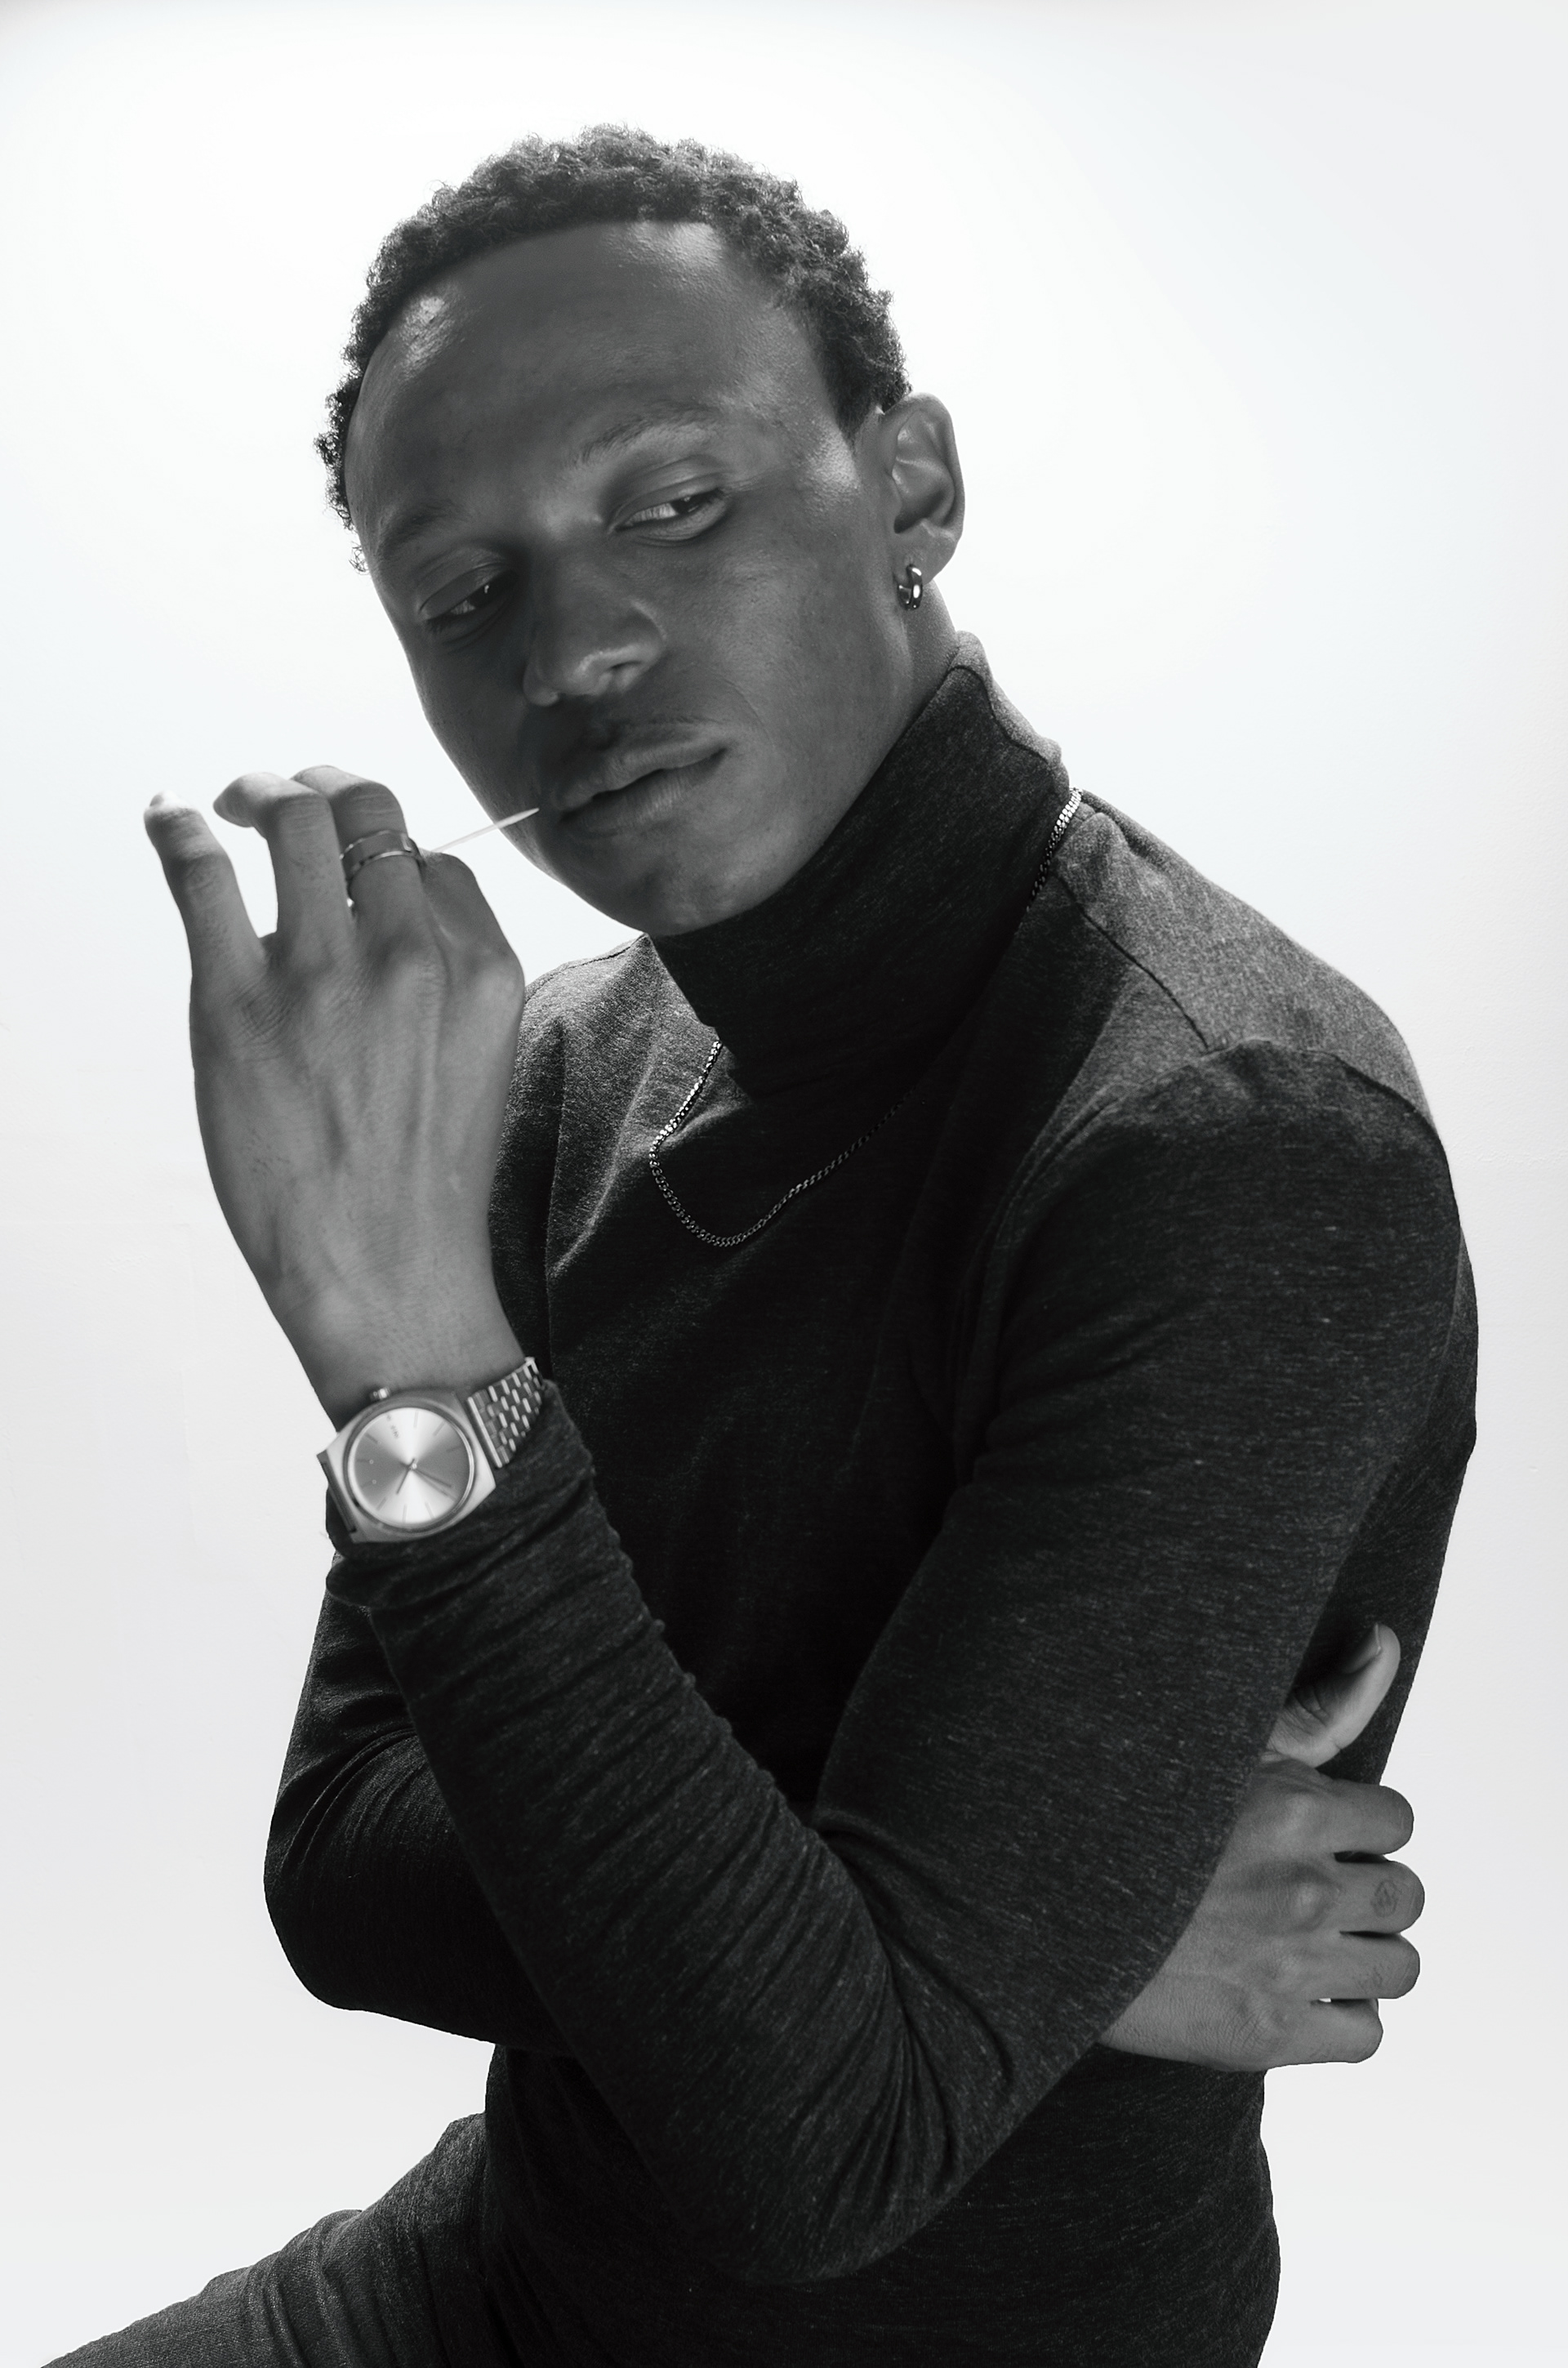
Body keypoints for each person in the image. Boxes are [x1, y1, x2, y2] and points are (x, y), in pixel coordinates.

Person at [65, 127, 1474, 2367]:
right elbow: (337, 1858)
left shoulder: (1225, 1137)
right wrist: (1019, 1936)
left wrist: (409, 1348)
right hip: (495, 2281)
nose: (577, 648)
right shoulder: (559, 1071)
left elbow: (820, 2141)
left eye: (676, 501)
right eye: (464, 592)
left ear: (911, 489)